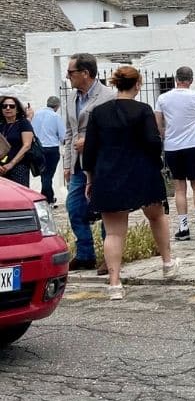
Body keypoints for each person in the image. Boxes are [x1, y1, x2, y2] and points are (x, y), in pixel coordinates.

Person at [82, 65, 179, 301]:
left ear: (116, 84)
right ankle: (167, 262)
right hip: (142, 172)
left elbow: (90, 149)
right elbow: (152, 142)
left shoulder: (98, 112)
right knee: (156, 216)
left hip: (108, 174)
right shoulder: (143, 110)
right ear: (138, 84)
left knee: (114, 233)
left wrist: (90, 178)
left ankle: (115, 284)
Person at [63, 53, 116, 271]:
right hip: (78, 164)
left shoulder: (108, 97)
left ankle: (108, 256)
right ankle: (85, 254)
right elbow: (69, 133)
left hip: (101, 162)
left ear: (85, 73)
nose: (68, 77)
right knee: (74, 207)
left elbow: (115, 131)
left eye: (71, 72)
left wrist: (91, 141)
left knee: (106, 209)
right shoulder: (71, 98)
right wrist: (66, 163)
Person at [155, 66, 195, 241]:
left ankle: (183, 226)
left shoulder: (163, 98)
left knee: (179, 187)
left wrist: (165, 133)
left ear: (175, 79)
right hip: (192, 145)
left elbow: (158, 122)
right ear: (191, 80)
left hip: (172, 146)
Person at [30, 96, 66, 203]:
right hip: (51, 149)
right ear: (57, 106)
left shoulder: (36, 115)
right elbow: (63, 136)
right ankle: (46, 199)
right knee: (48, 175)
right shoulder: (55, 116)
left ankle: (49, 197)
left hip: (38, 148)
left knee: (44, 174)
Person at [0, 96, 35, 187]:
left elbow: (27, 145)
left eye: (12, 106)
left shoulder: (23, 123)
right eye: (4, 106)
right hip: (1, 168)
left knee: (19, 197)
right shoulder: (1, 126)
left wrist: (11, 164)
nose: (8, 108)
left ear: (17, 109)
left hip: (19, 167)